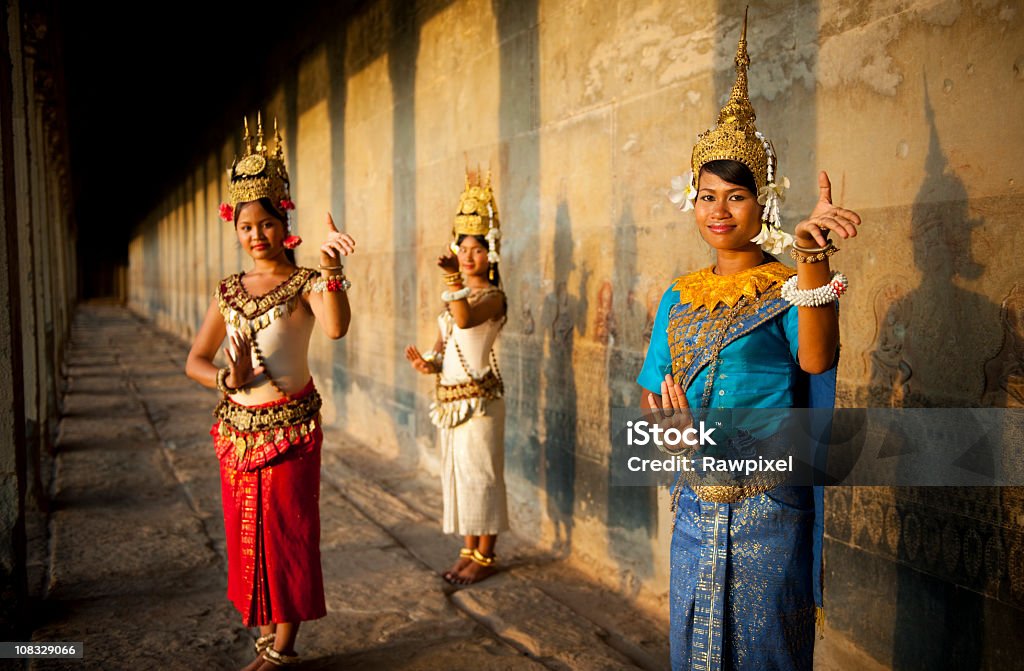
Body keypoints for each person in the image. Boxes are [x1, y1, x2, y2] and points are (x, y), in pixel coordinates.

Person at [637, 14, 862, 671]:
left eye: (736, 195)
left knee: (766, 649)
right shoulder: (679, 295)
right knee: (696, 644)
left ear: (762, 202)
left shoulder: (786, 283)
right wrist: (669, 433)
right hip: (694, 502)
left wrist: (813, 262)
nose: (718, 209)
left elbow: (817, 360)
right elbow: (654, 390)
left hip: (770, 502)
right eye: (707, 195)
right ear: (692, 198)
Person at [185, 115, 355, 670]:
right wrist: (225, 381)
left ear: (286, 223)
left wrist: (330, 270)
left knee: (287, 536)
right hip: (237, 433)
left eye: (266, 224)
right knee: (248, 537)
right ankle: (265, 641)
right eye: (245, 227)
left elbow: (335, 328)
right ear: (234, 230)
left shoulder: (305, 283)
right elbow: (195, 360)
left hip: (292, 434)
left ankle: (283, 649)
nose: (256, 235)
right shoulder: (228, 291)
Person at [405, 170, 509, 585]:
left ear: (492, 255)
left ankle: (487, 555)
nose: (468, 257)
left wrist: (452, 281)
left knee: (483, 476)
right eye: (463, 249)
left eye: (477, 251)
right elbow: (444, 343)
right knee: (460, 477)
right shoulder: (455, 300)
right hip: (451, 403)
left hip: (482, 404)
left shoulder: (491, 298)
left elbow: (465, 321)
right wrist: (428, 364)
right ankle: (468, 549)